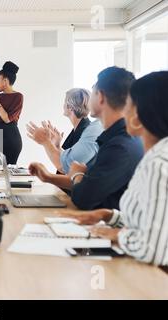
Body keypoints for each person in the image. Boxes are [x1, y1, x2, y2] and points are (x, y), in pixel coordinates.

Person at [59, 71, 168, 267]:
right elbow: (151, 219)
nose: (123, 111)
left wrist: (117, 234)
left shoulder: (158, 164)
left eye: (129, 104)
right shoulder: (153, 156)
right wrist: (108, 216)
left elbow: (151, 248)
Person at [29, 67, 144, 210]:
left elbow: (83, 197)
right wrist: (48, 177)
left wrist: (77, 173)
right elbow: (92, 184)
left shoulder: (119, 145)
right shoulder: (119, 138)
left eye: (93, 92)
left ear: (100, 97)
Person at [26, 88, 103, 174]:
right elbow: (69, 158)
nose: (63, 105)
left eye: (65, 102)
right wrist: (56, 146)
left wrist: (45, 141)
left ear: (69, 107)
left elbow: (65, 167)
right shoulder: (79, 128)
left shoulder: (86, 131)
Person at [0, 61, 23, 165]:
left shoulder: (18, 96)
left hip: (10, 136)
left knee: (9, 171)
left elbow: (7, 119)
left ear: (5, 81)